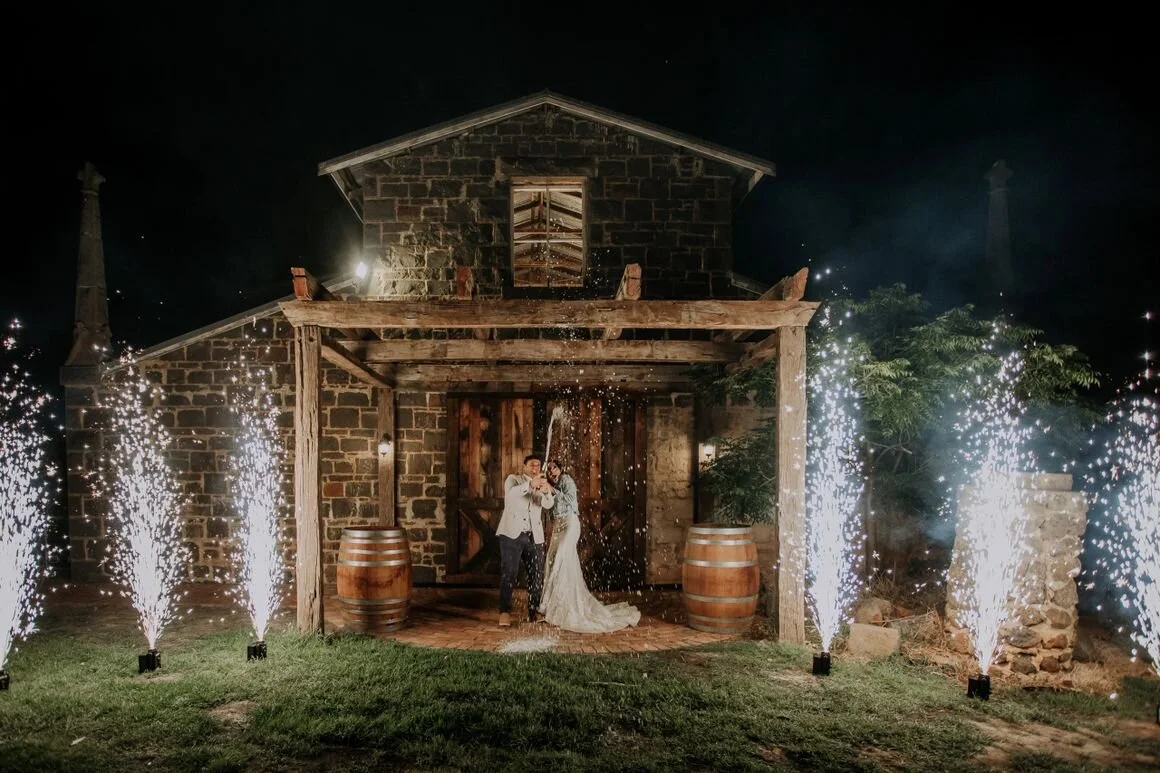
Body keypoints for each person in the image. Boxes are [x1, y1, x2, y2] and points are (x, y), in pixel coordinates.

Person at [540, 459, 641, 633]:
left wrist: (552, 490)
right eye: (549, 469)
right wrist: (545, 493)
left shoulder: (566, 480)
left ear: (560, 468)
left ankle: (564, 609)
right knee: (551, 560)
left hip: (569, 524)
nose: (552, 471)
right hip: (557, 527)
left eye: (554, 468)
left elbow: (571, 501)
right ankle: (554, 606)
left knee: (561, 558)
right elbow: (548, 508)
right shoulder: (548, 484)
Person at [496, 454, 555, 627]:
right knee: (509, 573)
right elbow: (511, 496)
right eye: (532, 465)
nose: (535, 468)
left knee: (536, 575)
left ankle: (533, 611)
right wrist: (530, 485)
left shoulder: (542, 483)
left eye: (538, 465)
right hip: (511, 535)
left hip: (534, 536)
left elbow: (548, 505)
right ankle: (504, 612)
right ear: (524, 467)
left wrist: (547, 492)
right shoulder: (513, 480)